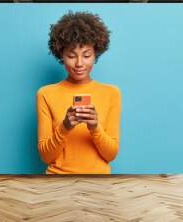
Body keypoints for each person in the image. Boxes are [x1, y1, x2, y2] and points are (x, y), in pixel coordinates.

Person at [37, 11, 121, 174]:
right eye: (71, 55)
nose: (79, 63)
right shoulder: (45, 94)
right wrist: (65, 127)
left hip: (98, 181)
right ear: (61, 54)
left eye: (87, 55)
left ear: (96, 53)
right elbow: (46, 157)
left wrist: (95, 127)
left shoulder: (112, 93)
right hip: (57, 180)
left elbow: (111, 155)